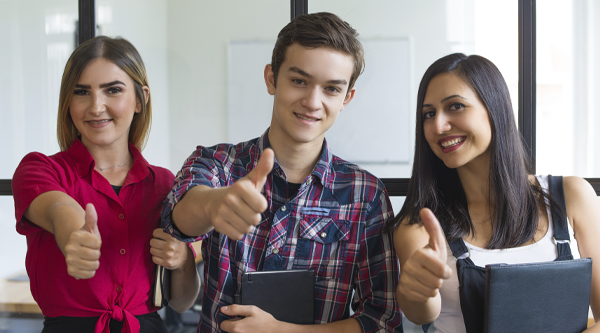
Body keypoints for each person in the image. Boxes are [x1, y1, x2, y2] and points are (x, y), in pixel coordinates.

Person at [161, 12, 402, 333]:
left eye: (331, 89)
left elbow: (382, 321)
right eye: (299, 80)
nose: (312, 101)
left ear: (347, 98)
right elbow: (178, 222)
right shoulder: (218, 163)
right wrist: (215, 205)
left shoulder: (365, 195)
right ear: (271, 78)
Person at [385, 53, 600, 332]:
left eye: (455, 106)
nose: (438, 126)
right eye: (429, 114)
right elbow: (421, 312)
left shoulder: (571, 195)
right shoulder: (419, 226)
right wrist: (416, 290)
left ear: (495, 108)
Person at [12, 36, 200, 333]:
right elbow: (58, 208)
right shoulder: (40, 168)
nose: (96, 107)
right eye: (82, 92)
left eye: (113, 90)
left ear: (140, 99)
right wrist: (74, 234)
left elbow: (181, 302)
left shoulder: (165, 184)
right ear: (68, 102)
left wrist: (183, 261)